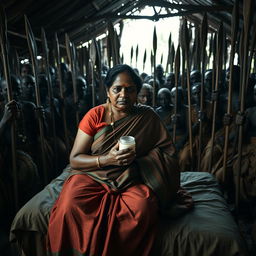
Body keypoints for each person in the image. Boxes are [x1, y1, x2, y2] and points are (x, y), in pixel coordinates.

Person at [46, 64, 188, 256]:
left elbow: (167, 154)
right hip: (93, 176)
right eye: (117, 89)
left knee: (142, 207)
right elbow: (75, 159)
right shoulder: (95, 115)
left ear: (137, 92)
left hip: (133, 177)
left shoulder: (147, 117)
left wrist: (140, 162)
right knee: (69, 205)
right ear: (107, 91)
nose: (123, 95)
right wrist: (107, 159)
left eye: (130, 90)